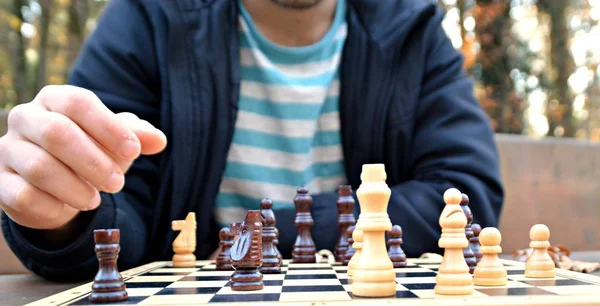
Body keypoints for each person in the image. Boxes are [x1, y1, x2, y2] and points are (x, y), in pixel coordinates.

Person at [0, 0, 503, 281]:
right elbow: (115, 206)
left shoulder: (412, 27)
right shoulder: (147, 16)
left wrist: (255, 235)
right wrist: (63, 215)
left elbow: (464, 193)